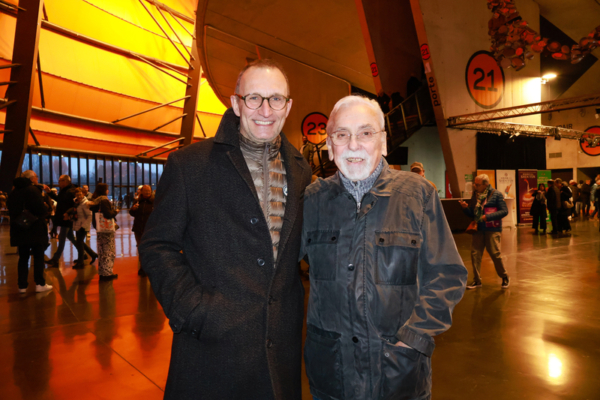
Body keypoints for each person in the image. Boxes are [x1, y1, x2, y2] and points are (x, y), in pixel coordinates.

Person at [139, 59, 312, 400]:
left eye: (276, 99)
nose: (266, 110)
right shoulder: (189, 164)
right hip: (211, 349)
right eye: (254, 98)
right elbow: (157, 245)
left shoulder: (301, 170)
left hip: (281, 350)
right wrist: (193, 309)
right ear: (236, 103)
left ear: (288, 106)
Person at [300, 95, 467, 400]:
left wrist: (413, 338)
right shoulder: (312, 200)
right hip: (333, 376)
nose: (353, 145)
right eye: (341, 135)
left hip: (398, 375)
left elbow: (447, 274)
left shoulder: (418, 195)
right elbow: (272, 268)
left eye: (365, 133)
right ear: (330, 145)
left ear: (384, 142)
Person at [459, 174, 510, 289]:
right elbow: (472, 213)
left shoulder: (496, 194)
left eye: (477, 185)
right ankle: (477, 280)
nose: (475, 186)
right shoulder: (475, 195)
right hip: (478, 228)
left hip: (492, 229)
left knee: (495, 254)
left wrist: (488, 217)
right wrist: (465, 208)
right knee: (475, 254)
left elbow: (504, 211)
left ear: (486, 184)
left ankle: (504, 276)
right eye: (475, 184)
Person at [7, 176, 53, 293]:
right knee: (38, 257)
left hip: (20, 228)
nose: (37, 179)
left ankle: (22, 286)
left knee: (23, 258)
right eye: (36, 177)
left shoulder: (13, 192)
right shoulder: (32, 190)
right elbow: (41, 209)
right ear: (31, 179)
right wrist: (46, 207)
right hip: (35, 229)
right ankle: (40, 283)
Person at [44, 175, 78, 267]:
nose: (58, 182)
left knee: (62, 239)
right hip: (64, 217)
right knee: (71, 238)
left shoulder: (71, 191)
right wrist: (50, 192)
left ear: (65, 181)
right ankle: (85, 253)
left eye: (60, 180)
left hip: (66, 218)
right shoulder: (65, 190)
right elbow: (59, 200)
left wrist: (68, 213)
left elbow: (74, 205)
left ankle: (55, 259)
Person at [89, 183, 119, 281]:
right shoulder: (104, 200)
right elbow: (108, 214)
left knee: (102, 251)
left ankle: (102, 272)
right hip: (106, 229)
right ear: (104, 190)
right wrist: (116, 211)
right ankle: (107, 273)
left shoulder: (96, 201)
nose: (108, 190)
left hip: (100, 228)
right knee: (108, 251)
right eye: (107, 189)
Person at [129, 184, 154, 276]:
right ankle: (143, 267)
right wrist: (133, 209)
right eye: (146, 191)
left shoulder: (155, 201)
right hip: (138, 228)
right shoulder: (137, 200)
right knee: (141, 248)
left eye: (149, 191)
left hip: (150, 229)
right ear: (142, 191)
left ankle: (150, 267)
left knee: (150, 248)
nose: (147, 192)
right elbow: (132, 213)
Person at [70, 188, 97, 269]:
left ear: (83, 194)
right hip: (78, 224)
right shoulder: (77, 202)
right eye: (77, 195)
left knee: (79, 243)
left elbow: (89, 216)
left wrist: (83, 227)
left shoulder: (85, 203)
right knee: (80, 242)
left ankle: (81, 262)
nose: (79, 196)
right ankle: (92, 254)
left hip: (83, 226)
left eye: (80, 194)